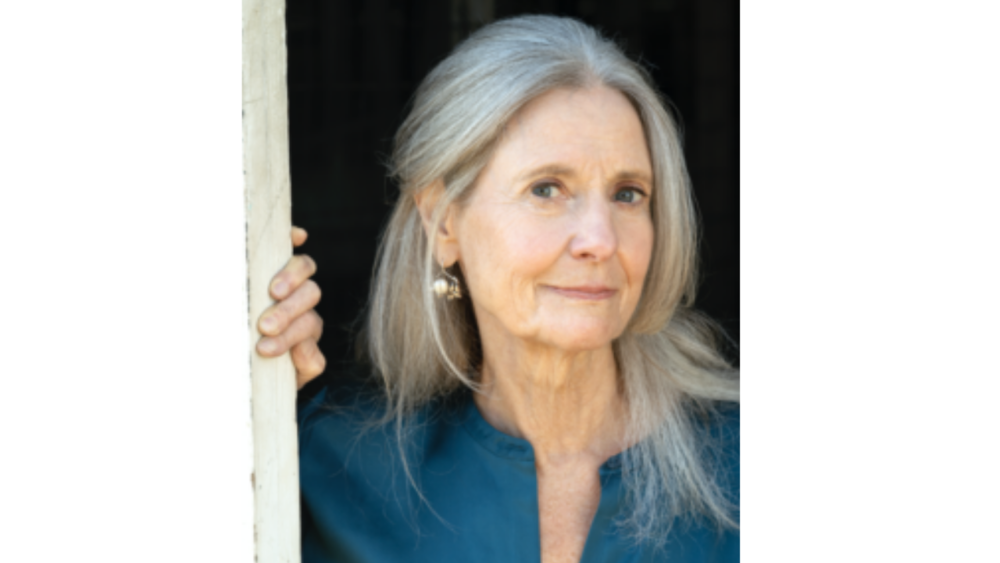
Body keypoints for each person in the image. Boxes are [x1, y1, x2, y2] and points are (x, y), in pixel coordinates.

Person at [261, 15, 738, 563]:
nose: (601, 240)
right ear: (443, 223)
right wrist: (260, 384)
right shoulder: (337, 474)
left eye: (628, 194)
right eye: (547, 189)